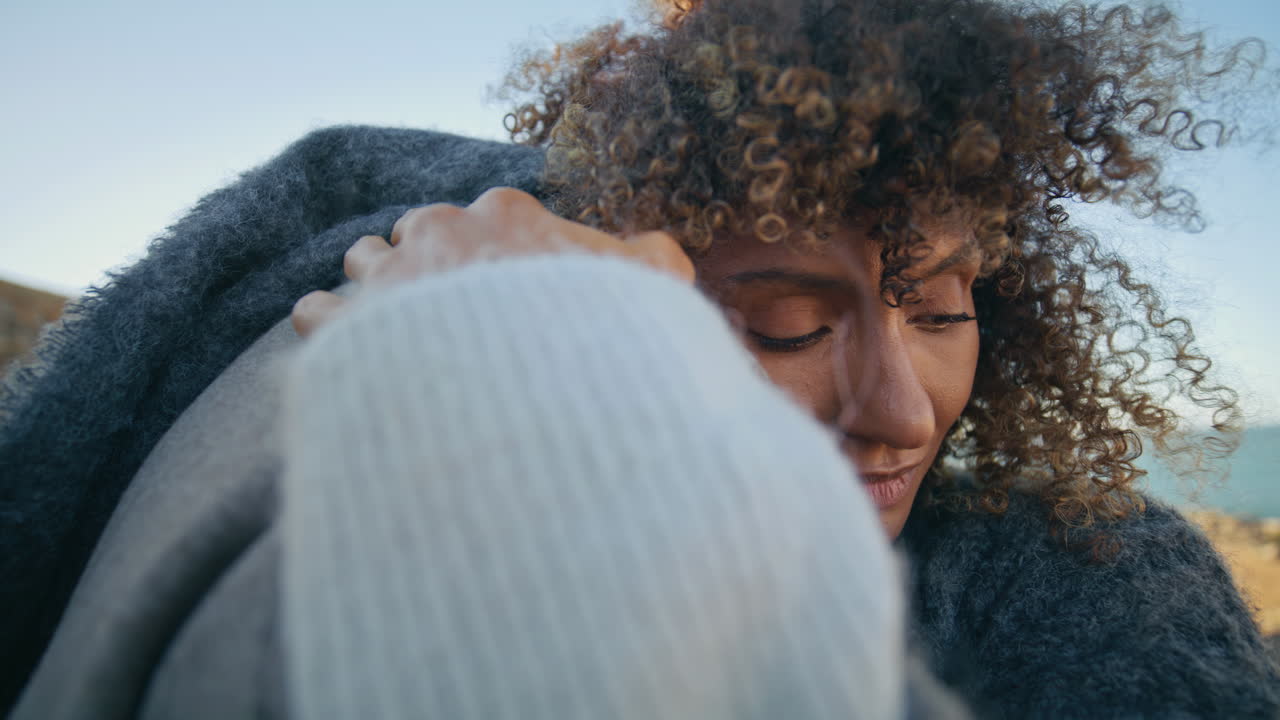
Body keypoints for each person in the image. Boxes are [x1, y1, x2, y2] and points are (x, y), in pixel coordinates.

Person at [2, 0, 1278, 716]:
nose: (899, 414)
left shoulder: (1103, 585)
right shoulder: (426, 302)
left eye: (942, 312)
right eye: (784, 325)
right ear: (628, 258)